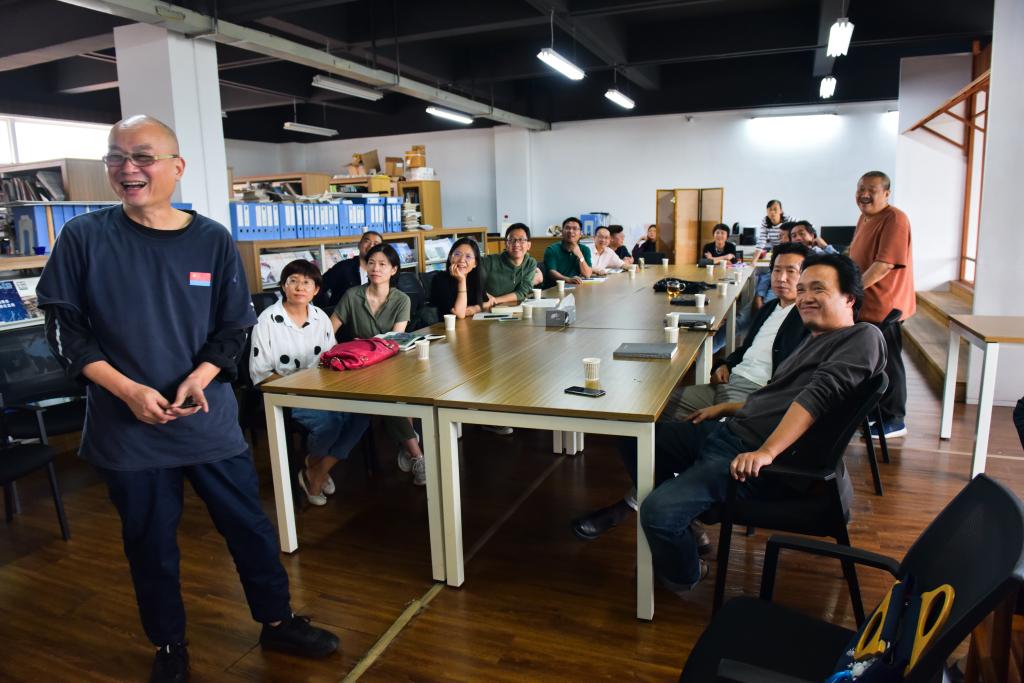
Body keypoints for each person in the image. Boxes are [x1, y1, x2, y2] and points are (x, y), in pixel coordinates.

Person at [35, 115, 338, 683]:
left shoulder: (212, 239)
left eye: (142, 156)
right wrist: (127, 390)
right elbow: (64, 331)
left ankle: (278, 621)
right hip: (127, 429)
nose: (127, 168)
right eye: (116, 156)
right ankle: (169, 645)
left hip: (207, 419)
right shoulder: (83, 237)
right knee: (149, 545)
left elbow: (234, 326)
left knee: (249, 527)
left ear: (176, 167)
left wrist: (201, 375)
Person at [636, 254, 885, 592]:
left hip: (754, 460)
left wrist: (766, 452)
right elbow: (780, 397)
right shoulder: (815, 337)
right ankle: (690, 513)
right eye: (802, 290)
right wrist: (730, 407)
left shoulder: (863, 336)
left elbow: (817, 398)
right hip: (732, 432)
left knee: (657, 514)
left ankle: (687, 574)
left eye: (818, 289)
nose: (805, 297)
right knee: (641, 437)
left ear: (850, 298)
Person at [575, 243, 811, 540]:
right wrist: (725, 363)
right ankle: (675, 512)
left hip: (752, 397)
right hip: (728, 383)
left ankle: (643, 506)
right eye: (777, 270)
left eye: (791, 271)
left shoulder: (805, 319)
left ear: (806, 277)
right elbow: (748, 350)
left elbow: (787, 391)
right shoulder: (770, 309)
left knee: (692, 441)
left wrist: (730, 403)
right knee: (648, 411)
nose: (782, 278)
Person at [250, 260, 370, 507]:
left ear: (316, 290)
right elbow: (260, 372)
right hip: (286, 392)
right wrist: (299, 388)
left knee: (362, 415)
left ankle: (316, 468)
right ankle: (316, 471)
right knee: (330, 423)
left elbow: (330, 357)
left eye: (307, 282)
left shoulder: (320, 317)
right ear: (283, 286)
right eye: (293, 281)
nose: (299, 287)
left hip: (321, 388)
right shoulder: (267, 320)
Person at [330, 243, 426, 484]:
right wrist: (344, 351)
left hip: (393, 363)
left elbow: (394, 341)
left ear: (394, 269)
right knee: (391, 396)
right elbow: (328, 331)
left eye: (383, 264)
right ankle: (417, 454)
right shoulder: (352, 295)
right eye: (371, 263)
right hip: (359, 367)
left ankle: (410, 447)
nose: (376, 268)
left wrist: (363, 343)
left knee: (391, 394)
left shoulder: (401, 299)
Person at [849, 171, 915, 439]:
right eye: (861, 189)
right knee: (872, 361)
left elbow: (884, 264)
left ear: (886, 193)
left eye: (872, 190)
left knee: (889, 363)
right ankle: (876, 412)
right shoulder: (865, 218)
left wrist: (852, 291)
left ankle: (895, 419)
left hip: (885, 305)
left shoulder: (895, 218)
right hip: (866, 305)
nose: (864, 195)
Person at [318, 230, 383, 311]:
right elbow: (318, 288)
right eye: (367, 241)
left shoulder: (385, 271)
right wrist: (325, 311)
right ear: (359, 245)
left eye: (376, 244)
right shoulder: (343, 267)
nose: (371, 246)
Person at [480, 223, 542, 306]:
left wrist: (495, 300)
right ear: (506, 244)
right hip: (485, 308)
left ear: (528, 245)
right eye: (512, 240)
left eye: (521, 240)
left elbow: (522, 292)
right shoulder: (489, 261)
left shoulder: (530, 263)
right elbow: (472, 282)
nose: (516, 244)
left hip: (511, 308)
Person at [430, 237, 492, 318]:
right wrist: (461, 281)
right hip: (444, 325)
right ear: (450, 257)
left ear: (475, 263)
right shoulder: (440, 279)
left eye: (468, 256)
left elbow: (487, 303)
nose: (462, 260)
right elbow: (460, 314)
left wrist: (473, 309)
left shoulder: (475, 278)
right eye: (457, 254)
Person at [544, 216, 593, 284]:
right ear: (562, 232)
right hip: (555, 287)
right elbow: (551, 272)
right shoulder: (552, 249)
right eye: (567, 228)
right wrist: (569, 280)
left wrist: (580, 255)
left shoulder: (585, 249)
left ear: (580, 233)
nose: (570, 231)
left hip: (576, 286)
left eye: (575, 228)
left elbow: (587, 274)